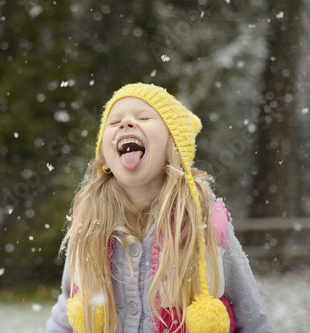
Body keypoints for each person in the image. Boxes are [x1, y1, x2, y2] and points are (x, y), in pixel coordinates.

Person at [45, 83, 273, 333]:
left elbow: (251, 315)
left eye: (143, 117)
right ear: (105, 158)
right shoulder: (89, 224)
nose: (126, 123)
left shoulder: (203, 224)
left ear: (173, 146)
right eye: (114, 122)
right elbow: (68, 307)